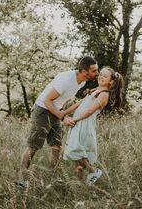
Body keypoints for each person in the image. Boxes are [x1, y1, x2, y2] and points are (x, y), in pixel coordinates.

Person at [17, 56, 99, 189]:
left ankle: (52, 178)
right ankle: (21, 181)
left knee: (56, 146)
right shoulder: (67, 80)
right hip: (43, 110)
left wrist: (61, 111)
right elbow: (47, 101)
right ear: (84, 71)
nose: (97, 73)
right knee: (33, 146)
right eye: (94, 71)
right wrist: (62, 117)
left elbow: (65, 98)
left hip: (55, 110)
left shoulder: (82, 82)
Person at [63, 67, 124, 184]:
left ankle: (93, 171)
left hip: (84, 124)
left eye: (105, 76)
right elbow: (78, 104)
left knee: (74, 152)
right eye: (100, 74)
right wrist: (63, 113)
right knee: (78, 157)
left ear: (111, 82)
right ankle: (79, 183)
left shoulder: (104, 94)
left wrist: (74, 119)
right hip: (79, 122)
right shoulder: (94, 91)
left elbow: (90, 111)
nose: (101, 77)